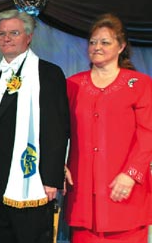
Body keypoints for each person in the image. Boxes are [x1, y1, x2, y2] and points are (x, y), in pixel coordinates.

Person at [0, 9, 69, 243]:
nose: (6, 38)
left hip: (31, 178)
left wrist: (51, 178)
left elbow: (57, 128)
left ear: (29, 36)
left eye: (14, 32)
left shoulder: (48, 73)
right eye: (1, 34)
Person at [64, 13, 152, 243]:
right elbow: (57, 129)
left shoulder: (140, 84)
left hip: (124, 192)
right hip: (82, 196)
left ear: (121, 46)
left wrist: (131, 175)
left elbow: (148, 134)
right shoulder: (72, 84)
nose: (96, 47)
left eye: (105, 42)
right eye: (93, 42)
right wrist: (58, 165)